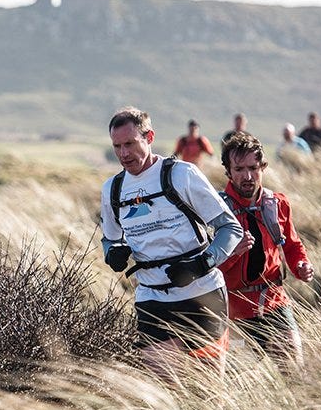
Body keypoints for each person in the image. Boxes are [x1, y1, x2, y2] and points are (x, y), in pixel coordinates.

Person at [100, 106, 243, 381]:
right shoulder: (112, 189)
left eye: (130, 144)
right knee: (165, 388)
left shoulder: (182, 174)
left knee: (208, 389)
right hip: (151, 298)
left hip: (202, 294)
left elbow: (230, 228)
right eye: (117, 146)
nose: (124, 154)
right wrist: (112, 253)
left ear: (149, 137)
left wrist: (200, 264)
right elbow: (110, 238)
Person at [216, 132, 315, 367]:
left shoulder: (277, 203)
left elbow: (292, 245)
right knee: (241, 377)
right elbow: (206, 266)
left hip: (274, 301)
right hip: (233, 309)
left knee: (293, 368)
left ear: (263, 167)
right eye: (239, 169)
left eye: (253, 168)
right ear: (228, 172)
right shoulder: (216, 210)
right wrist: (233, 253)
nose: (247, 176)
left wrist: (301, 266)